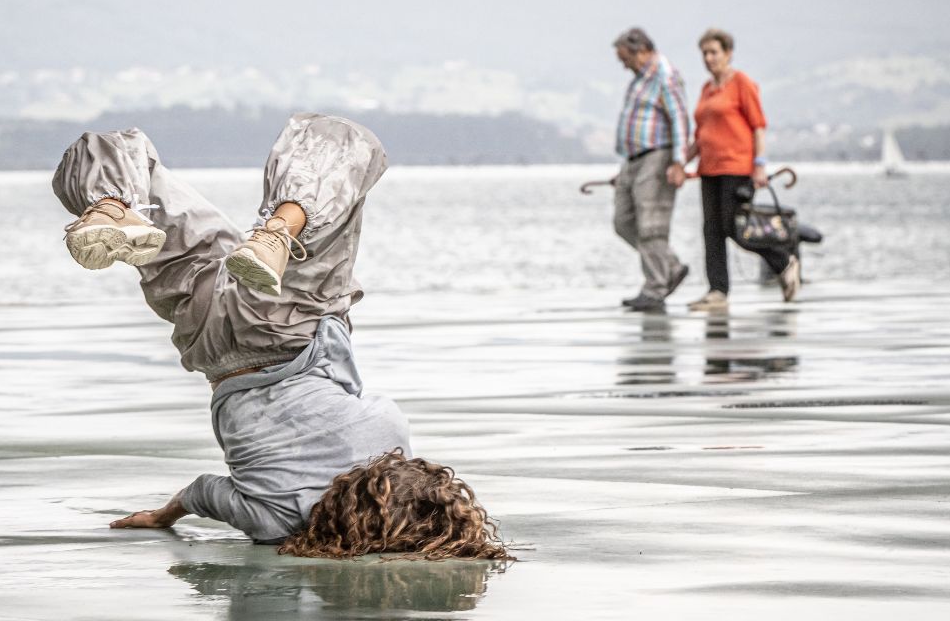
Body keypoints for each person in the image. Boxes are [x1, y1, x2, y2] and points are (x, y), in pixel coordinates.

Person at [52, 113, 509, 560]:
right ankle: (116, 206)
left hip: (288, 321)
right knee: (155, 201)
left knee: (341, 141)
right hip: (208, 341)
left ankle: (262, 228)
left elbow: (345, 373)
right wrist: (162, 517)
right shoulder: (271, 521)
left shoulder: (389, 433)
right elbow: (202, 492)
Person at [684, 29, 801, 311]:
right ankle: (717, 291)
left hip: (737, 167)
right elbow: (701, 134)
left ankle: (783, 261)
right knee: (711, 230)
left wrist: (759, 165)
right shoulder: (707, 89)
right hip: (709, 169)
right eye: (705, 53)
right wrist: (680, 163)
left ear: (728, 53)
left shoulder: (742, 83)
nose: (709, 58)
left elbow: (758, 126)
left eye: (714, 52)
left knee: (736, 228)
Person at [611, 27, 692, 312]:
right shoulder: (639, 78)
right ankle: (670, 266)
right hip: (634, 159)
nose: (623, 65)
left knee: (651, 225)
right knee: (623, 222)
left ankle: (656, 288)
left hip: (658, 156)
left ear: (641, 51)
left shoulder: (665, 76)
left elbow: (680, 120)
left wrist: (679, 162)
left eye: (625, 59)